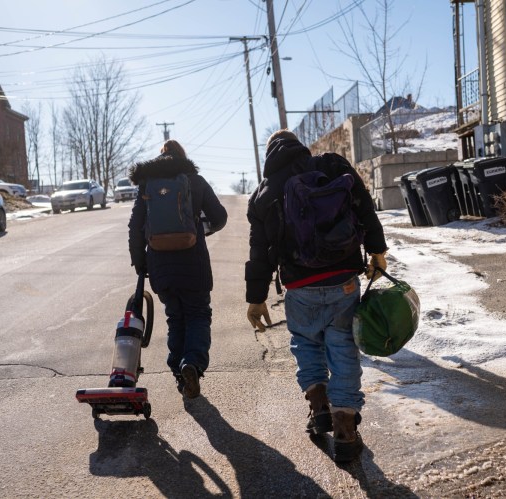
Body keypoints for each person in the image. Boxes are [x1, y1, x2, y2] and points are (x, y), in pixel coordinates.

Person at [245, 129, 388, 462]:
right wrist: (377, 251)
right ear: (299, 147)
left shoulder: (265, 193)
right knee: (343, 349)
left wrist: (256, 297)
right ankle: (345, 430)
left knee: (306, 344)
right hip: (344, 280)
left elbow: (259, 252)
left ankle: (319, 408)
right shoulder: (333, 166)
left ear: (270, 155)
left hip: (299, 287)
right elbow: (363, 205)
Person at [128, 139, 227, 399]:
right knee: (197, 314)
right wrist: (202, 229)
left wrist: (140, 262)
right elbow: (220, 217)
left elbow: (135, 226)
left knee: (175, 318)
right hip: (193, 262)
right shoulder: (195, 180)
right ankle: (191, 364)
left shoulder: (147, 185)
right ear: (183, 157)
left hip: (160, 264)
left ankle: (179, 374)